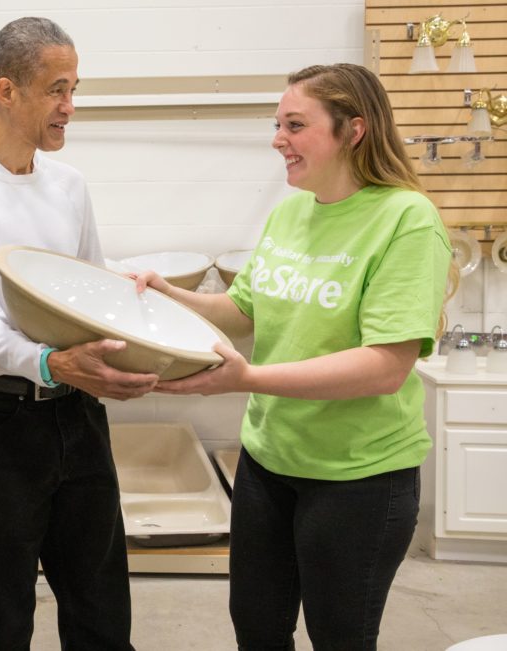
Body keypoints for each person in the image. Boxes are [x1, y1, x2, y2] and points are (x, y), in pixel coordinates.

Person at [135, 63, 452, 650]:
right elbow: (243, 310)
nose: (277, 139)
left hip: (359, 479)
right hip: (268, 463)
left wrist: (246, 377)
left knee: (339, 637)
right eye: (277, 124)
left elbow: (386, 366)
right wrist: (167, 294)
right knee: (257, 629)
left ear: (353, 130)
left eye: (295, 125)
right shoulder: (290, 212)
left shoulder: (406, 221)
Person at [0, 17, 158, 650]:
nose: (69, 108)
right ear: (7, 91)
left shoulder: (68, 185)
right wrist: (52, 364)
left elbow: (93, 295)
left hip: (78, 420)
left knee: (102, 617)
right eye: (57, 90)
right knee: (2, 625)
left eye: (74, 89)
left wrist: (142, 339)